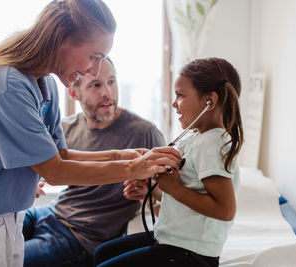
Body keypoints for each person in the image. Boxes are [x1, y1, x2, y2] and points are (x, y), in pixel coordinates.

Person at [0, 1, 180, 266]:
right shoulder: (6, 84)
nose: (94, 69)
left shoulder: (46, 86)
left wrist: (120, 155)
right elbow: (54, 171)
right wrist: (133, 168)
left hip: (6, 220)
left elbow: (59, 155)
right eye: (94, 56)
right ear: (62, 40)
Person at [94, 57, 244, 267]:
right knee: (103, 252)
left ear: (209, 101)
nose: (174, 103)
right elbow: (189, 195)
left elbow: (225, 210)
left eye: (180, 95)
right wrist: (152, 191)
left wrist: (174, 188)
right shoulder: (196, 138)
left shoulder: (211, 143)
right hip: (173, 241)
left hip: (192, 254)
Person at [22, 57, 166, 267]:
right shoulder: (66, 128)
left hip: (80, 238)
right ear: (74, 93)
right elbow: (42, 166)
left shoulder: (144, 134)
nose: (107, 92)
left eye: (112, 81)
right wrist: (31, 181)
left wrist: (150, 193)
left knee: (5, 261)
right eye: (95, 85)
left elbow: (169, 195)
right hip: (48, 213)